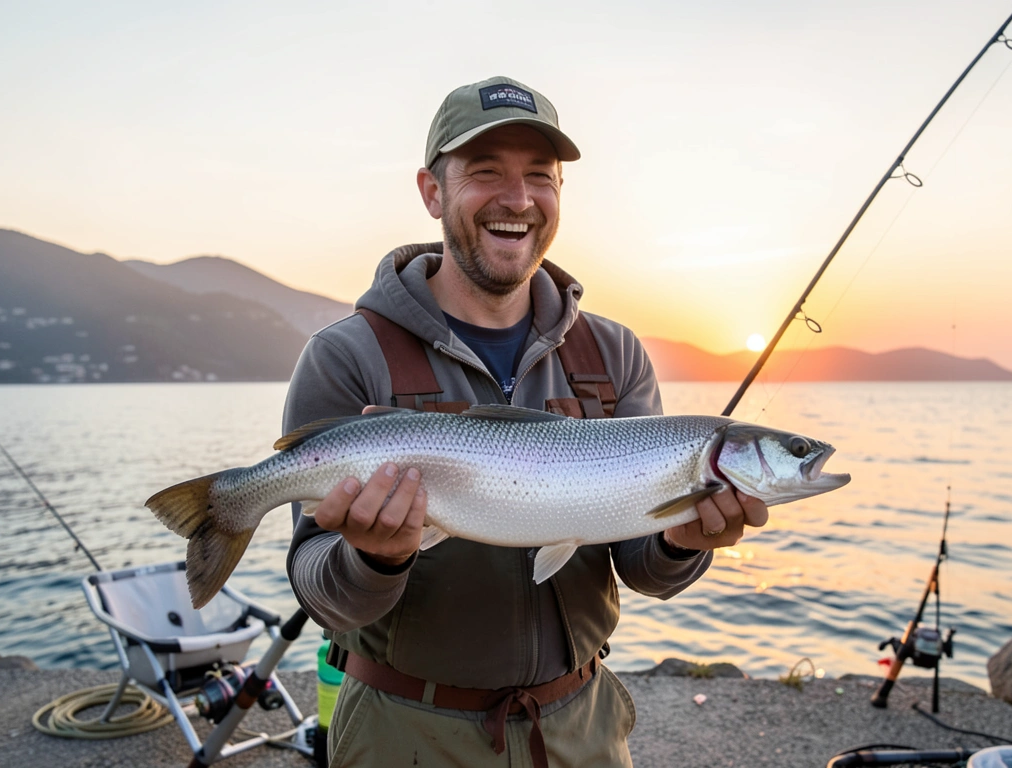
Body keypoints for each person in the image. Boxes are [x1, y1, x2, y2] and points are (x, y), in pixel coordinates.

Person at [283, 76, 768, 767]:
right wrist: (375, 557)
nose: (518, 199)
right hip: (403, 731)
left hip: (582, 728)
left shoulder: (615, 354)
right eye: (486, 172)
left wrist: (682, 542)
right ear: (432, 192)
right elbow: (320, 591)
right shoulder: (346, 355)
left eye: (540, 176)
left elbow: (644, 570)